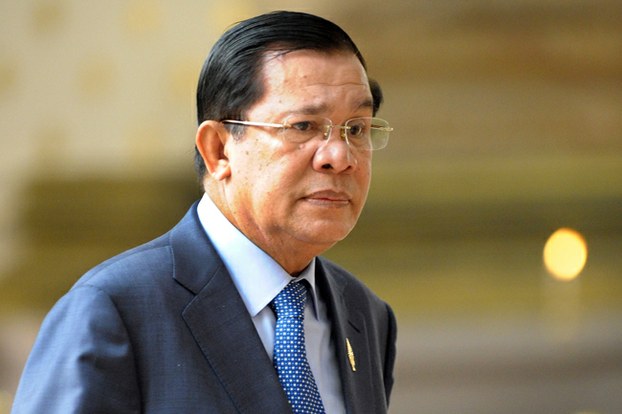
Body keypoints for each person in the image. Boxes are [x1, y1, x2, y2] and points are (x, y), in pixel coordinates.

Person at [12, 10, 397, 414]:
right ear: (218, 149)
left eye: (356, 129)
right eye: (302, 126)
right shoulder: (113, 308)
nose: (339, 156)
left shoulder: (365, 314)